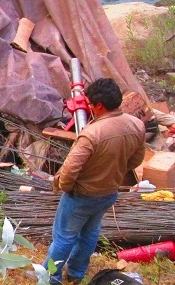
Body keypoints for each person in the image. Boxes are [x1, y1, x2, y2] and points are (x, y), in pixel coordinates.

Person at [43, 78, 145, 284]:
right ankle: (76, 274)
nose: (88, 107)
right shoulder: (136, 124)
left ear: (99, 106)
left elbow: (69, 170)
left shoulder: (91, 134)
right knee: (90, 233)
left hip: (82, 194)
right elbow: (136, 160)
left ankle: (49, 277)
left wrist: (67, 188)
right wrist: (112, 172)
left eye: (90, 104)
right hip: (108, 193)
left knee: (64, 237)